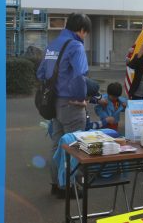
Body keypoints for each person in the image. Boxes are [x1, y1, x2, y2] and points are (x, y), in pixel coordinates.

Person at [36, 13, 91, 198]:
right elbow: (79, 75)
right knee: (75, 146)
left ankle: (56, 184)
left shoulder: (52, 45)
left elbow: (41, 73)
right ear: (82, 29)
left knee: (57, 144)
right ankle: (70, 188)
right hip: (70, 104)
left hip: (53, 103)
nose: (85, 36)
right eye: (86, 33)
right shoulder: (75, 46)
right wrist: (80, 97)